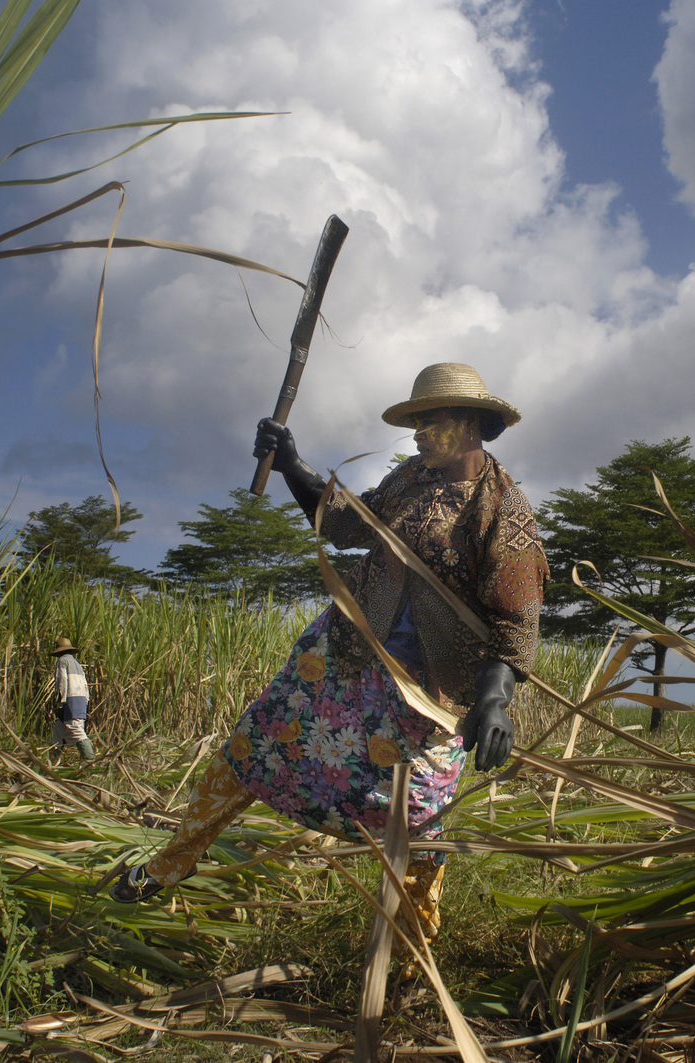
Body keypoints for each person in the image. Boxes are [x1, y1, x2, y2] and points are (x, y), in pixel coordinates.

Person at [111, 363, 548, 943]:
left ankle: (417, 933)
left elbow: (515, 622)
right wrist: (292, 463)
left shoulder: (504, 511)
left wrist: (494, 700)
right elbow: (345, 524)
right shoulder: (409, 479)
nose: (417, 432)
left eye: (430, 419)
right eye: (416, 420)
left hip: (425, 688)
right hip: (342, 653)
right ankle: (168, 866)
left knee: (420, 813)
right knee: (253, 745)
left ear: (469, 424)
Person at [51, 637, 95, 761]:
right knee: (58, 731)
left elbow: (62, 681)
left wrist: (61, 701)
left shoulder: (62, 661)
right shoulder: (77, 664)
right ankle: (52, 761)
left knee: (76, 731)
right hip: (80, 700)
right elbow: (85, 685)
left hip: (70, 700)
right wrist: (86, 702)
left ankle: (90, 761)